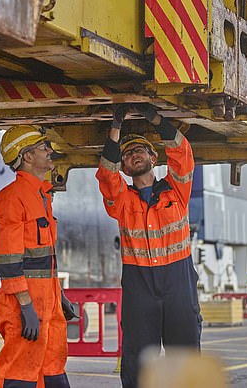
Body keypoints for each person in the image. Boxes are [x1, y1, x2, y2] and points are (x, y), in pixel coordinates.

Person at [96, 104, 202, 388]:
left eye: (139, 150)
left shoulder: (177, 191)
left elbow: (183, 153)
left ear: (154, 158)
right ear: (124, 166)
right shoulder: (122, 202)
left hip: (178, 281)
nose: (133, 155)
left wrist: (156, 119)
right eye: (127, 154)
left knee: (185, 355)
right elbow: (107, 177)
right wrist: (115, 130)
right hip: (139, 284)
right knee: (138, 358)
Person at [0, 125, 78, 388]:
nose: (50, 151)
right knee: (20, 373)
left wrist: (58, 295)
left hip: (47, 305)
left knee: (52, 372)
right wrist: (26, 305)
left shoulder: (41, 196)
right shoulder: (12, 199)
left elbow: (41, 258)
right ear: (27, 157)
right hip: (24, 307)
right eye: (43, 147)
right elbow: (8, 260)